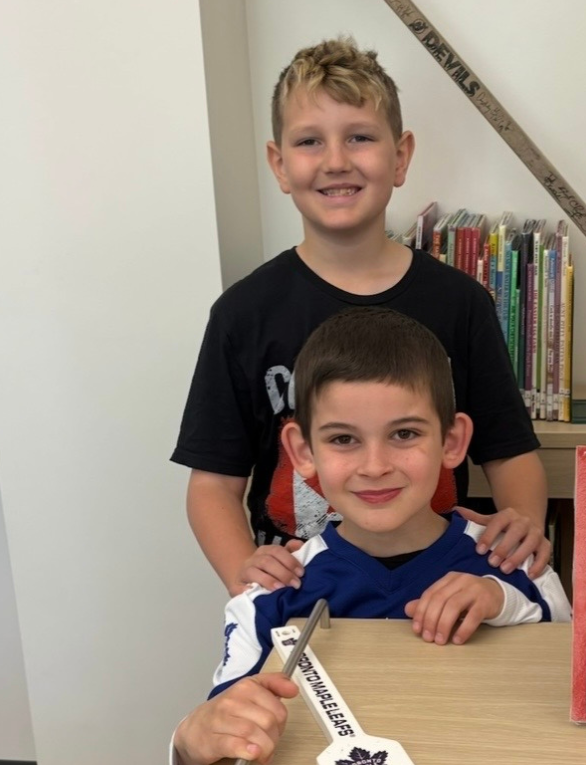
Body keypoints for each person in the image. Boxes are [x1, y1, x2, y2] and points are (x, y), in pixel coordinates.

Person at [171, 37, 550, 599]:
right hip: (305, 596)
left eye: (360, 137)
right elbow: (213, 486)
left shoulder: (461, 303)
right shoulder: (242, 314)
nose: (336, 161)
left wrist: (521, 528)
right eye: (309, 141)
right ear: (279, 164)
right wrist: (246, 582)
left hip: (443, 592)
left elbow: (509, 451)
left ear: (399, 157)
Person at [170, 308, 570, 765]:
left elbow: (565, 657)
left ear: (452, 441)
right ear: (302, 451)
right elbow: (219, 757)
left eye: (404, 434)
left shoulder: (510, 563)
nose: (375, 466)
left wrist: (498, 598)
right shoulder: (271, 595)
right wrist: (190, 745)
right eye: (343, 439)